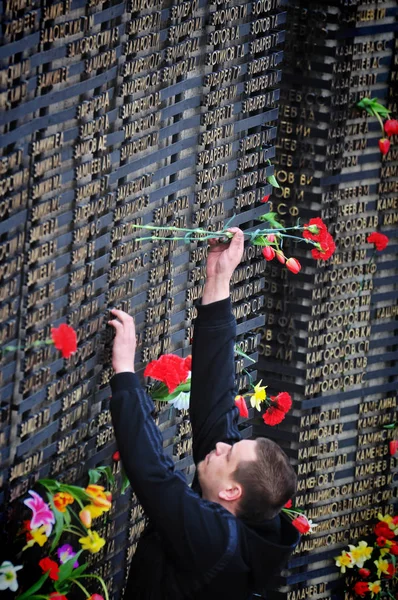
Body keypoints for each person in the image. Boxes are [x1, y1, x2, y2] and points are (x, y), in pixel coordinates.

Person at [109, 228, 300, 600]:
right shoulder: (244, 507)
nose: (221, 447)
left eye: (228, 455)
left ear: (231, 491)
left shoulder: (216, 543)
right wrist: (218, 281)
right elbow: (216, 404)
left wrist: (125, 372)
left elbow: (154, 477)